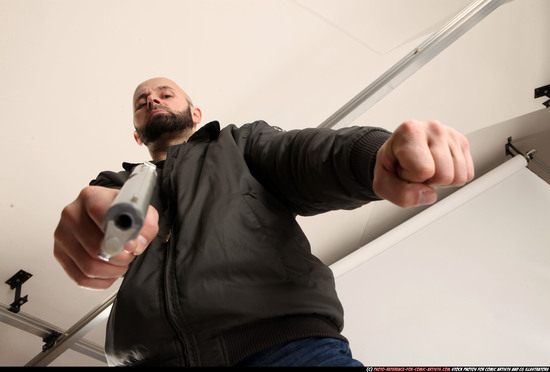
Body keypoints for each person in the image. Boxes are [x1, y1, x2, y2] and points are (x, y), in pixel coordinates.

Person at [53, 77, 474, 366]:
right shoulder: (118, 182)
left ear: (195, 113)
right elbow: (92, 214)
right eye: (143, 103)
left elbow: (307, 156)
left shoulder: (239, 143)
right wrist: (88, 228)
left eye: (164, 93)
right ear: (136, 134)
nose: (153, 101)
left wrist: (374, 154)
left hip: (282, 350)